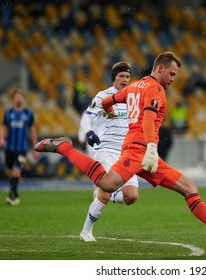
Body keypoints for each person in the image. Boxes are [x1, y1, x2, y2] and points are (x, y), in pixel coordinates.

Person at [35, 51, 206, 248]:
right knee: (107, 184)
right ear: (160, 69)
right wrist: (152, 147)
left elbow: (110, 100)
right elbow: (147, 118)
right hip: (140, 150)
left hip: (144, 152)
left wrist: (109, 109)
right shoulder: (156, 90)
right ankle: (65, 148)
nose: (173, 78)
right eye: (172, 73)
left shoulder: (135, 87)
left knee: (189, 188)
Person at [78, 61, 139, 242]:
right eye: (121, 76)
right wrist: (89, 132)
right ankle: (86, 232)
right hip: (106, 151)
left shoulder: (133, 99)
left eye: (127, 76)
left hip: (126, 153)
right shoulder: (103, 96)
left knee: (131, 196)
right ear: (114, 78)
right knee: (104, 195)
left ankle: (104, 193)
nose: (125, 80)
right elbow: (86, 118)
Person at [0, 88, 38, 205]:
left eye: (20, 96)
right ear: (12, 99)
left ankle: (12, 195)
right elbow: (3, 127)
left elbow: (32, 130)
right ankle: (14, 194)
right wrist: (1, 138)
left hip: (22, 149)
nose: (19, 98)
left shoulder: (28, 114)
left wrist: (35, 147)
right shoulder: (8, 113)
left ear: (23, 99)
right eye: (16, 97)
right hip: (9, 148)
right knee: (10, 172)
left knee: (16, 171)